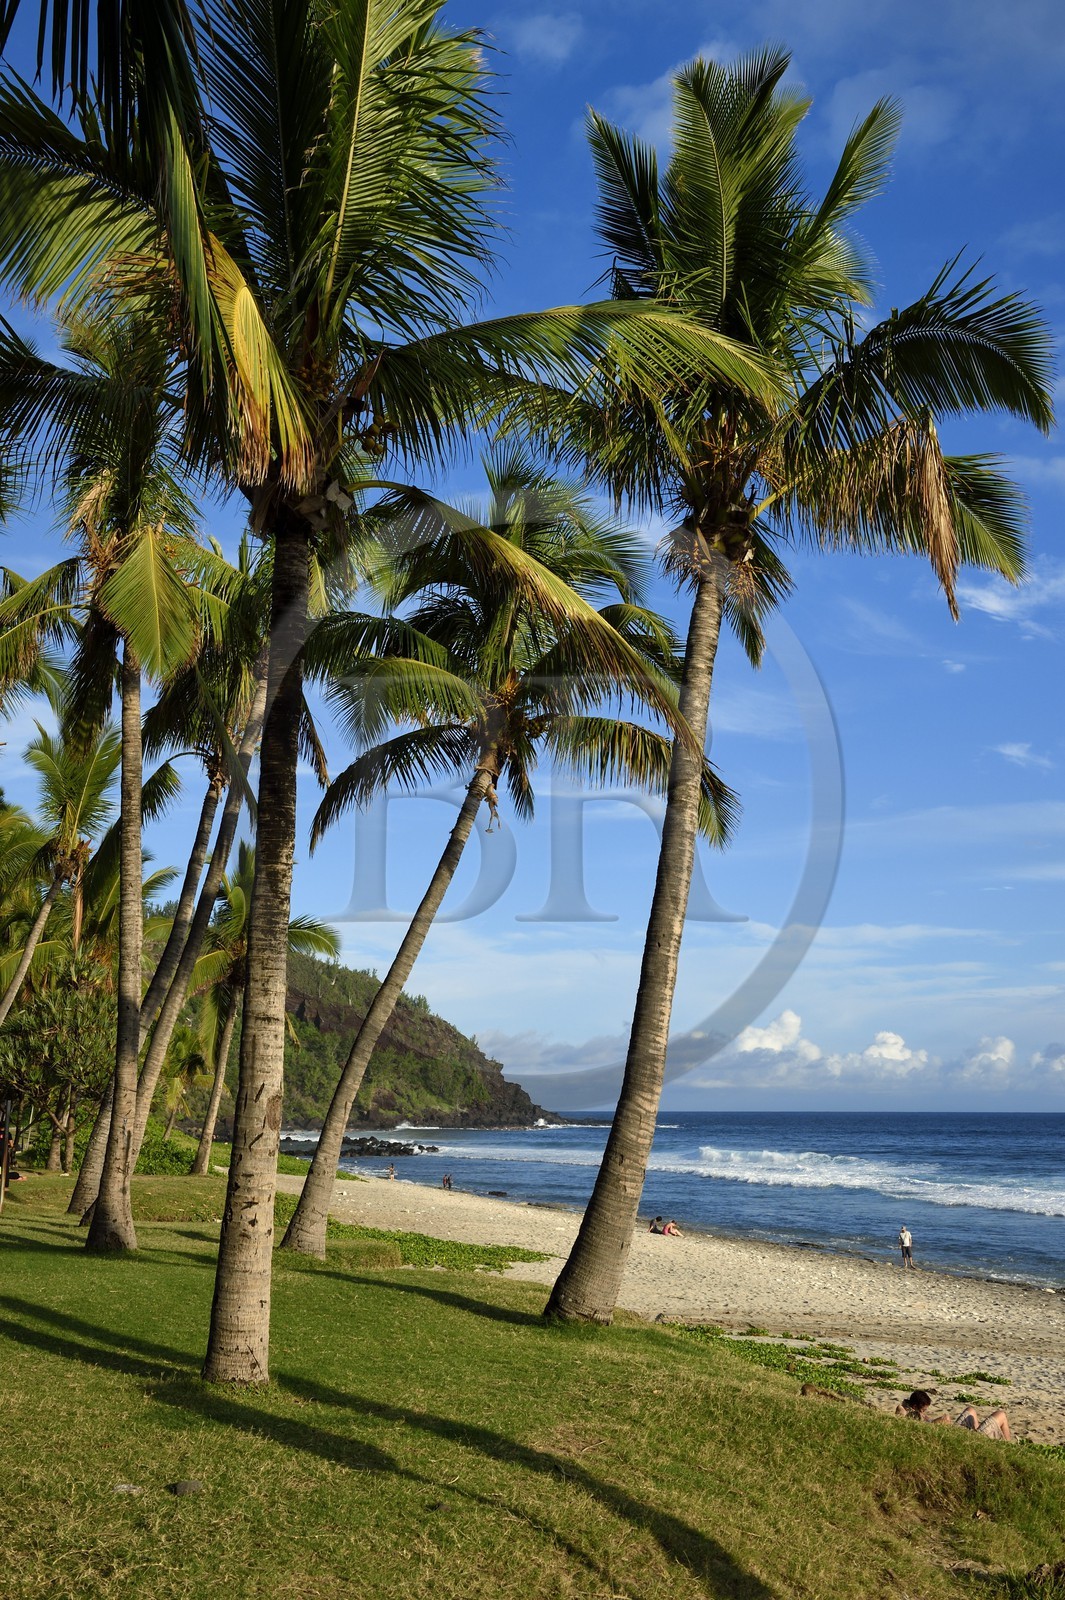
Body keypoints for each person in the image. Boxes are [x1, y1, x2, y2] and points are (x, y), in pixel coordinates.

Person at [897, 1391, 1011, 1439]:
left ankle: (978, 1436)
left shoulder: (917, 1414)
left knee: (970, 1410)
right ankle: (1007, 1447)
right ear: (915, 1407)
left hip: (958, 1431)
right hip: (958, 1435)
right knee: (1001, 1414)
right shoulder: (906, 1412)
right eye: (923, 1410)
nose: (924, 1412)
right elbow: (901, 1415)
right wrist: (940, 1421)